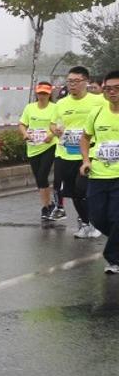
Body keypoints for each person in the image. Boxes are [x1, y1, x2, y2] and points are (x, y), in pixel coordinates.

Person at [51, 66, 104, 238]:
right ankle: (86, 223)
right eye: (69, 81)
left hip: (87, 154)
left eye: (76, 81)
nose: (72, 84)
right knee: (73, 192)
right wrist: (55, 130)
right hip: (65, 153)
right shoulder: (61, 103)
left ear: (86, 82)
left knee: (83, 190)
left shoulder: (99, 101)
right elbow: (52, 124)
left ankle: (94, 223)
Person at [81, 70, 119, 274]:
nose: (112, 92)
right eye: (108, 89)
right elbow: (85, 138)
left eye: (117, 88)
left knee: (116, 218)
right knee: (97, 218)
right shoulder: (96, 113)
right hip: (98, 174)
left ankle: (114, 259)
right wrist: (86, 160)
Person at [19, 82, 58, 220]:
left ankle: (45, 207)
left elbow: (58, 126)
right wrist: (25, 134)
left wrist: (51, 135)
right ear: (36, 93)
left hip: (49, 145)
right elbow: (22, 124)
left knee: (42, 175)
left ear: (49, 94)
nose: (42, 96)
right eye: (40, 93)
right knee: (39, 177)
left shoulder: (55, 108)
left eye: (45, 93)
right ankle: (50, 203)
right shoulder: (30, 108)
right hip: (33, 146)